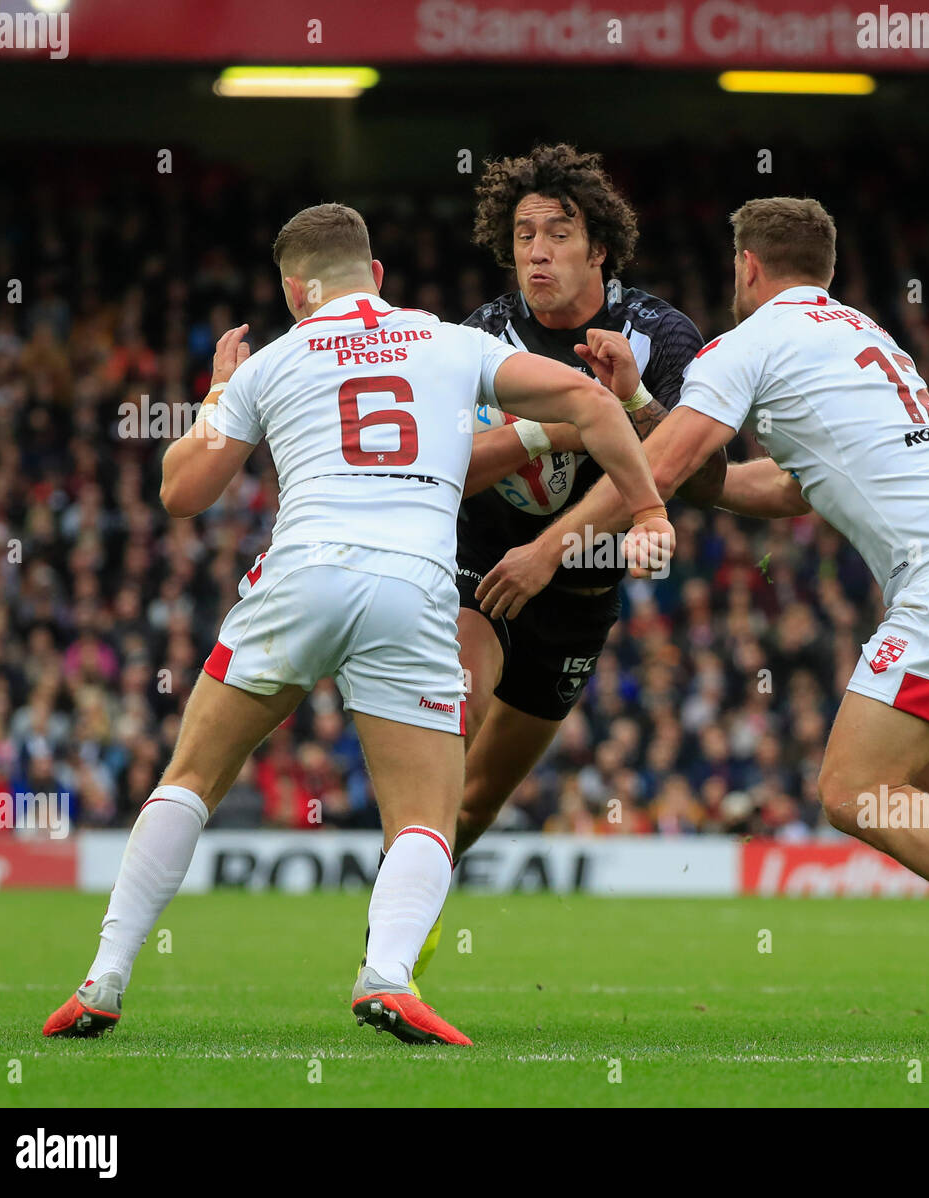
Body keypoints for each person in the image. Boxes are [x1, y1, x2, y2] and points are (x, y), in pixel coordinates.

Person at [42, 202, 672, 1047]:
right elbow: (595, 406)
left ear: (297, 293)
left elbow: (181, 493)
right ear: (375, 276)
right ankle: (388, 976)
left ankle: (103, 980)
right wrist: (647, 509)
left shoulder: (276, 359)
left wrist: (222, 391)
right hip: (414, 586)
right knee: (423, 812)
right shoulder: (449, 340)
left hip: (302, 573)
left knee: (192, 775)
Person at [497, 195, 929, 1042]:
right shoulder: (862, 336)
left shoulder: (748, 344)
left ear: (747, 267)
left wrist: (550, 549)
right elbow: (775, 489)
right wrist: (642, 395)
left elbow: (667, 471)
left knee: (853, 791)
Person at [366, 145, 723, 986]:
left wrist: (628, 404)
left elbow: (691, 473)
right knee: (450, 728)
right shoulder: (480, 338)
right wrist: (558, 428)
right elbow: (450, 462)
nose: (536, 251)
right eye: (523, 234)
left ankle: (398, 920)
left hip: (578, 589)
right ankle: (388, 952)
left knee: (477, 800)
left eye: (557, 234)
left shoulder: (663, 337)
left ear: (598, 247)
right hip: (480, 567)